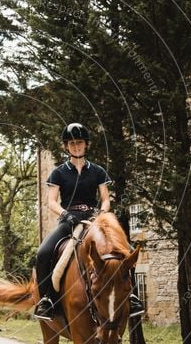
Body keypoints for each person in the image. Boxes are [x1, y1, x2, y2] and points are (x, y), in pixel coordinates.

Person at [34, 122, 145, 320]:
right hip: (69, 219)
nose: (76, 146)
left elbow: (105, 199)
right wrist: (65, 214)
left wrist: (101, 213)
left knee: (126, 253)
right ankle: (47, 300)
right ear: (66, 146)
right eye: (72, 143)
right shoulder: (58, 172)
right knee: (43, 253)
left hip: (93, 219)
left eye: (80, 143)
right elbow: (51, 201)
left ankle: (133, 296)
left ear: (86, 145)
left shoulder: (98, 171)